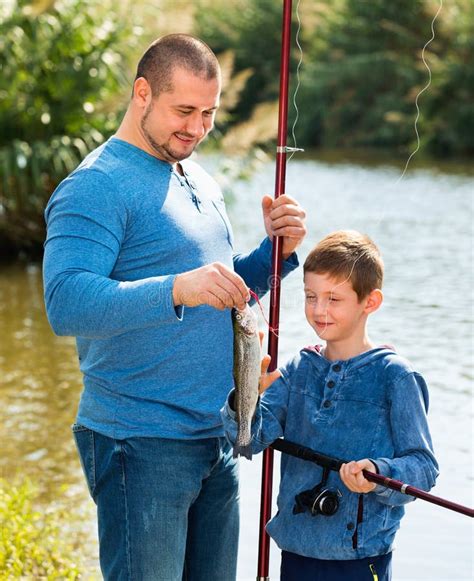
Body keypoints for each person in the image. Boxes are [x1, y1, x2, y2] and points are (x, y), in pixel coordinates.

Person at [42, 34, 306, 581]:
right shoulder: (95, 185)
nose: (197, 127)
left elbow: (226, 291)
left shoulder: (196, 175)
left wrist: (274, 254)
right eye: (183, 110)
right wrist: (176, 289)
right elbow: (64, 302)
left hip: (216, 436)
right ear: (142, 93)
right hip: (139, 444)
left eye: (208, 113)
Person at [222, 230, 439, 581]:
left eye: (333, 299)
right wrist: (245, 395)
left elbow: (423, 467)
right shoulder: (297, 369)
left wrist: (377, 473)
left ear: (370, 302)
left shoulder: (396, 377)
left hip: (359, 559)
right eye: (310, 296)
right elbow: (249, 439)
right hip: (296, 552)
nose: (319, 310)